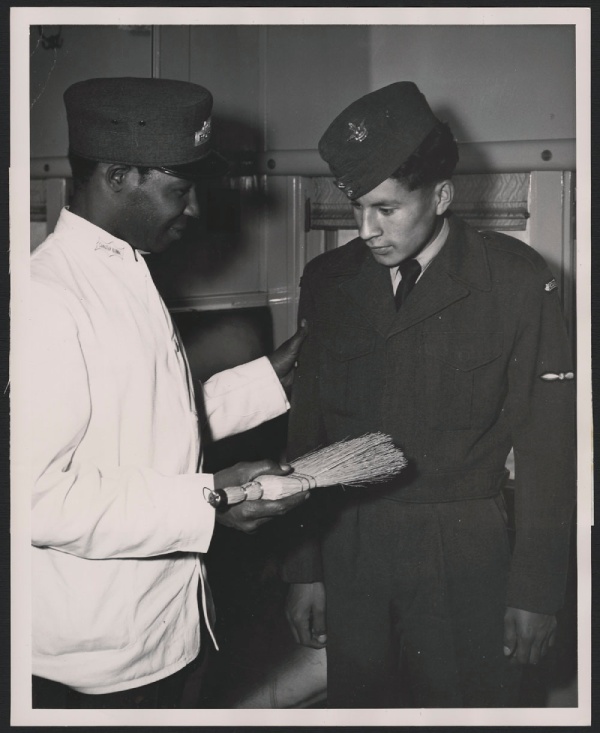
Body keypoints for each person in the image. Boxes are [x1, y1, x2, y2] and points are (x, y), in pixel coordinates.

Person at [282, 81, 576, 708]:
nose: (365, 229)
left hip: (465, 547)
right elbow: (307, 431)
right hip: (349, 542)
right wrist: (305, 568)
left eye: (386, 208)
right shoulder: (328, 282)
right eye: (356, 206)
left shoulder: (517, 282)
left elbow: (551, 449)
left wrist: (537, 590)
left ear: (441, 195)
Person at [30, 77, 308, 709]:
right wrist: (211, 500)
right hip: (96, 663)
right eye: (179, 190)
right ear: (119, 174)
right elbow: (37, 498)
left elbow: (145, 424)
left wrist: (272, 377)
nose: (196, 210)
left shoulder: (128, 266)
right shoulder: (48, 298)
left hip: (166, 630)